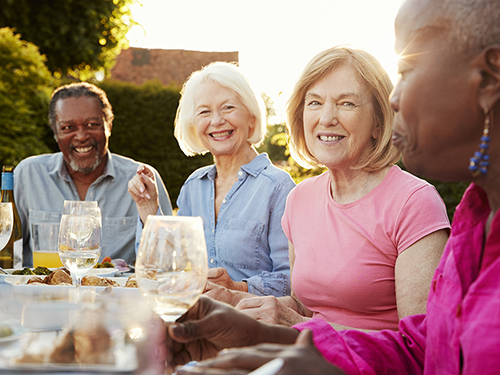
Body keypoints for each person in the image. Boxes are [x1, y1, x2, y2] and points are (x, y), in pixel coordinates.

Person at [160, 0, 500, 372]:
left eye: (409, 70)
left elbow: (417, 352)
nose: (396, 98)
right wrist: (243, 318)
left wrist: (293, 329)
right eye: (315, 102)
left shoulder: (416, 200)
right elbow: (424, 349)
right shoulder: (476, 214)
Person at [234, 46, 450, 332]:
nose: (326, 118)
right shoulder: (299, 198)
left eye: (346, 103)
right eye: (314, 103)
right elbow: (306, 307)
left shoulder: (414, 202)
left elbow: (421, 346)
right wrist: (232, 299)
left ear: (378, 121)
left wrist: (301, 325)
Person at [128, 62, 295, 299]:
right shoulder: (193, 186)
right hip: (196, 317)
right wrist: (148, 208)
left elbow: (293, 281)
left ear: (251, 118)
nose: (216, 120)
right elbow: (164, 269)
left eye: (228, 108)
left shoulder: (279, 187)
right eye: (204, 111)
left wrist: (237, 288)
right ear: (194, 125)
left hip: (252, 324)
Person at [14, 82, 172, 266]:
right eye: (68, 127)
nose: (81, 136)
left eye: (92, 124)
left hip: (116, 294)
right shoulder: (28, 174)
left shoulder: (143, 179)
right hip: (40, 293)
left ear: (109, 125)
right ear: (55, 132)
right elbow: (6, 253)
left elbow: (167, 263)